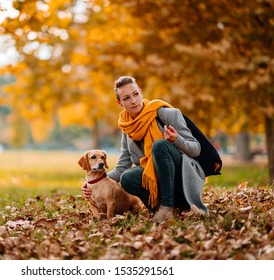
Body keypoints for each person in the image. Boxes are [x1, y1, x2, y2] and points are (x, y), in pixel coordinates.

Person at [82, 76, 208, 222]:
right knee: (127, 178)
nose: (134, 100)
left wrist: (176, 140)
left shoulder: (167, 114)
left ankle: (167, 207)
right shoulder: (127, 127)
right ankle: (158, 207)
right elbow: (122, 166)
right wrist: (93, 182)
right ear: (119, 103)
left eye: (136, 94)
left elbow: (196, 149)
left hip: (181, 175)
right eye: (126, 98)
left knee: (160, 145)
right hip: (158, 180)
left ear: (141, 92)